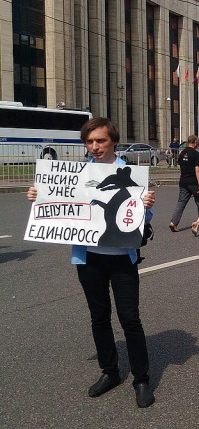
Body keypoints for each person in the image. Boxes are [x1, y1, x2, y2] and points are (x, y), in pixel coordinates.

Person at [27, 117, 156, 408]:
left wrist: (146, 206)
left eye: (101, 141)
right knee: (99, 318)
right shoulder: (73, 173)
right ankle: (109, 372)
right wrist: (38, 196)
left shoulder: (130, 172)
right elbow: (57, 206)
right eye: (89, 141)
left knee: (130, 320)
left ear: (113, 142)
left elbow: (141, 221)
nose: (95, 147)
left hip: (123, 260)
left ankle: (141, 379)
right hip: (89, 260)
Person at [169, 135, 199, 231]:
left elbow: (181, 166)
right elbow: (197, 170)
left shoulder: (182, 153)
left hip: (183, 181)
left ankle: (174, 222)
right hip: (193, 182)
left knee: (181, 202)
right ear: (195, 142)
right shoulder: (196, 154)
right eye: (197, 142)